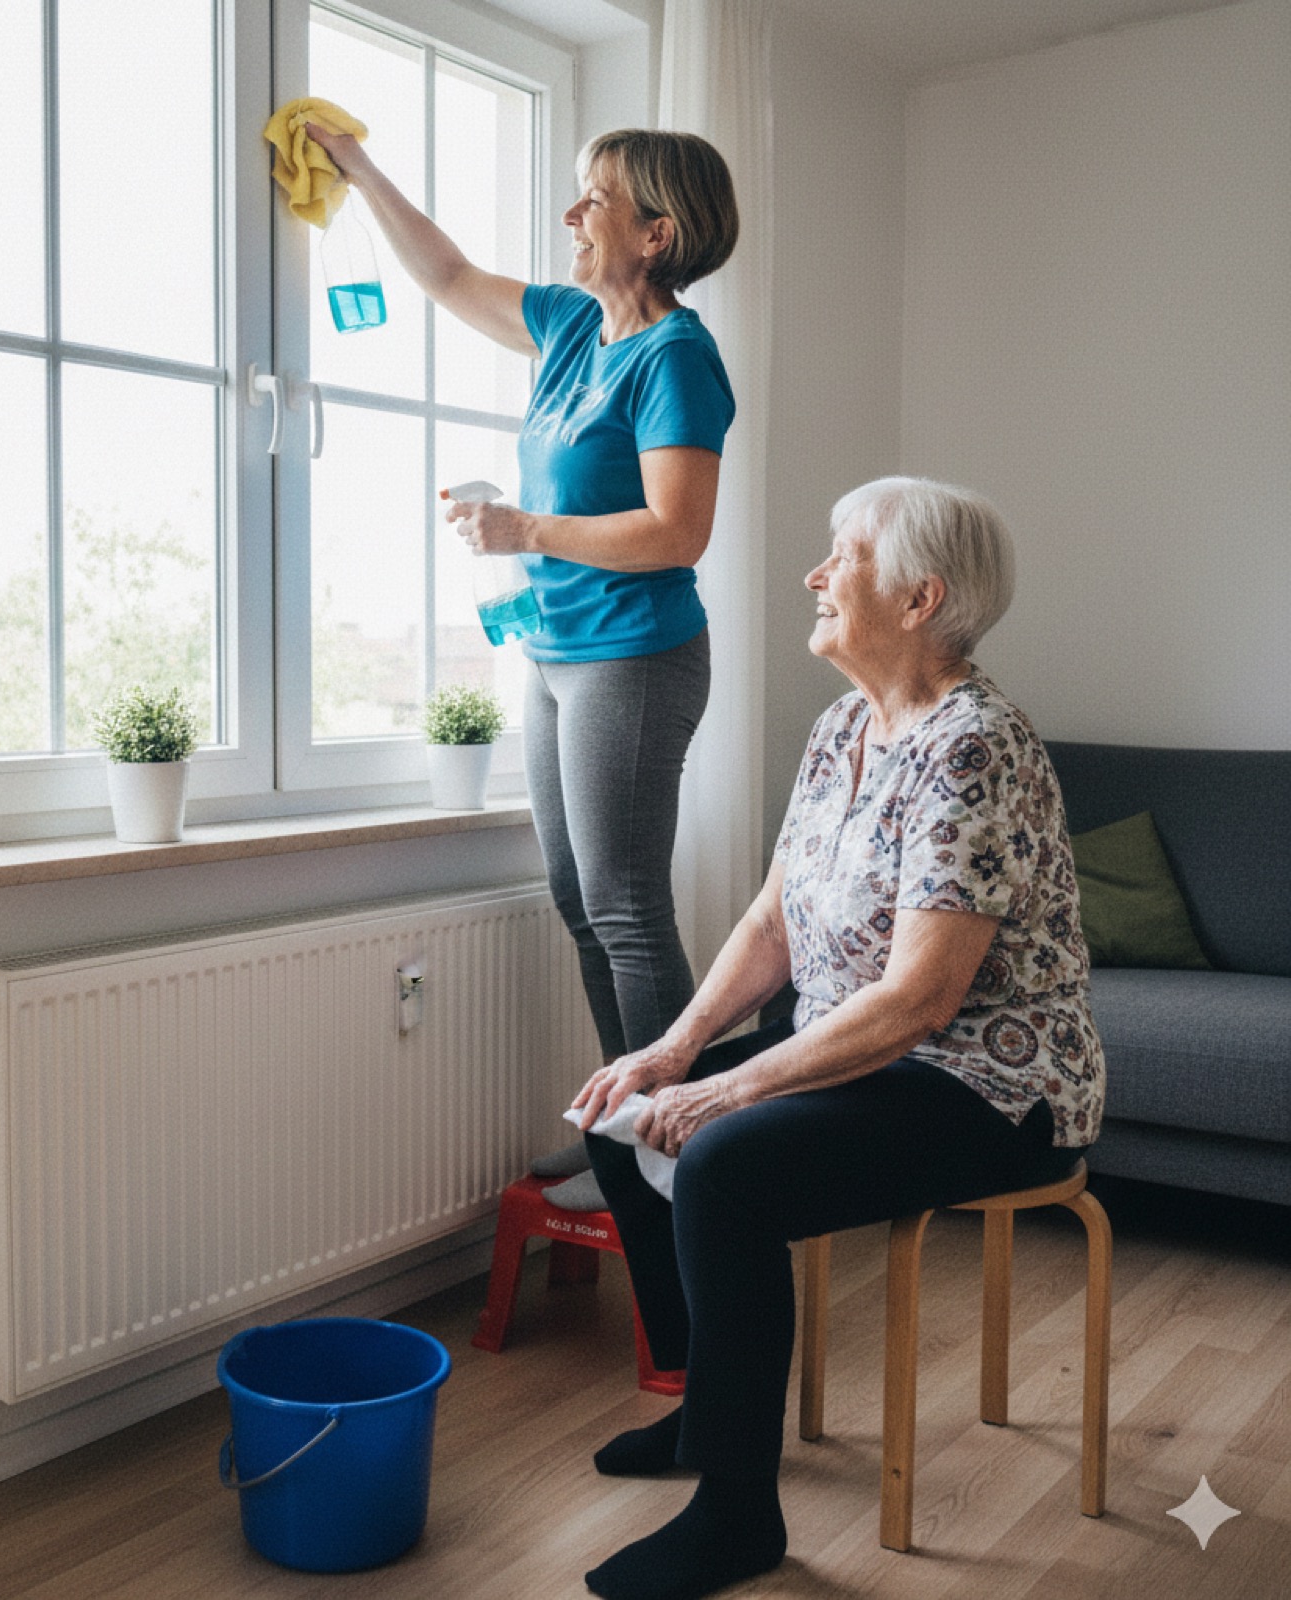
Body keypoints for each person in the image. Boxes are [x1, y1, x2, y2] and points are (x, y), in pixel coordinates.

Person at [569, 476, 1105, 1600]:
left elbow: (920, 1000)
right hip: (863, 1050)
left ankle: (734, 1512)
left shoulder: (975, 745)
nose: (815, 575)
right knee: (621, 1122)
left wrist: (731, 1093)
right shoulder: (841, 727)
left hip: (989, 1086)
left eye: (841, 555)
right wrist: (672, 1052)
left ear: (919, 599)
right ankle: (700, 1413)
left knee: (721, 1161)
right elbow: (772, 919)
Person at [308, 124, 739, 1206]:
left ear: (657, 234)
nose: (570, 215)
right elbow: (445, 273)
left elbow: (678, 531)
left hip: (633, 660)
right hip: (554, 656)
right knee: (577, 896)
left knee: (626, 905)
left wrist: (526, 531)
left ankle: (677, 1145)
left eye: (593, 200)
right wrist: (355, 167)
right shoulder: (567, 325)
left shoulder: (674, 356)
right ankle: (622, 1130)